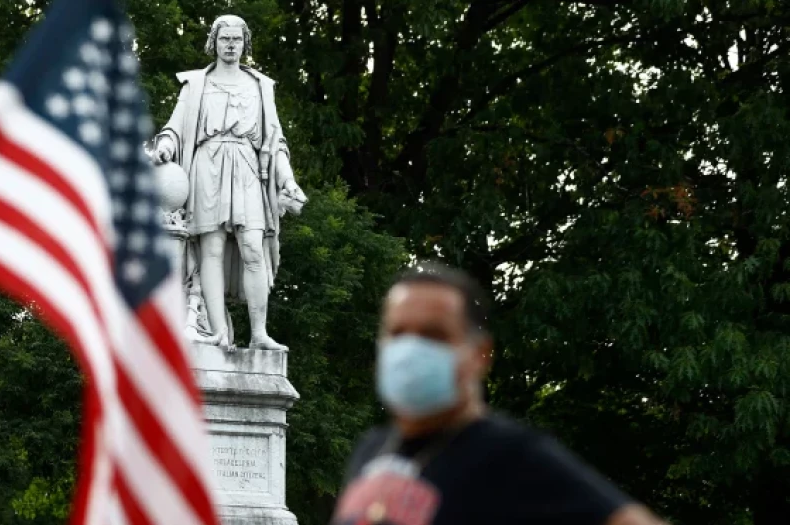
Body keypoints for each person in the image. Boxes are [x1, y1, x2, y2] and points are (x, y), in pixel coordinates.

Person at [332, 261, 667, 525]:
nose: (410, 348)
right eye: (398, 332)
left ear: (479, 355)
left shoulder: (510, 455)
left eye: (433, 335)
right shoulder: (372, 449)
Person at [151, 14, 308, 350]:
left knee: (253, 247)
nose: (231, 45)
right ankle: (218, 334)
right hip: (207, 166)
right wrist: (164, 147)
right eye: (225, 39)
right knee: (212, 249)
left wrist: (288, 179)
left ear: (245, 43)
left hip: (248, 167)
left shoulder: (260, 87)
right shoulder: (196, 84)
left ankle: (259, 334)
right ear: (214, 42)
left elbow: (275, 141)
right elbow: (174, 128)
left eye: (237, 39)